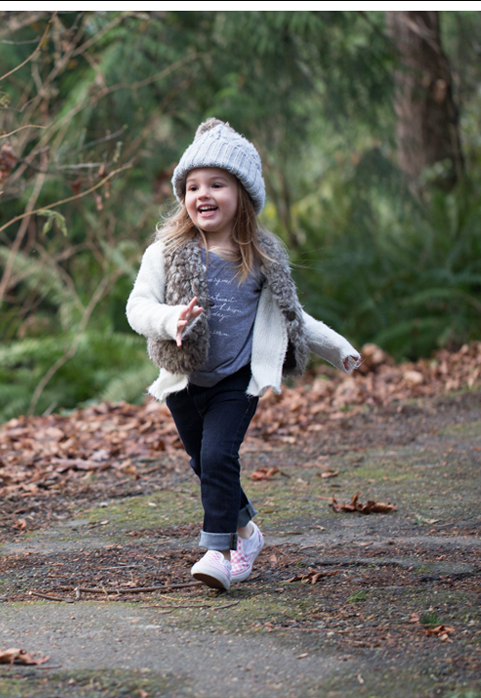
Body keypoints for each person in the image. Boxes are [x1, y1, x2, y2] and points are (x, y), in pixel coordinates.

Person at [126, 119, 361, 591]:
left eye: (217, 184)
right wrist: (170, 320)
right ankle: (248, 533)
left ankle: (218, 551)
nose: (203, 194)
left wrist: (339, 349)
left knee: (218, 455)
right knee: (203, 461)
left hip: (237, 379)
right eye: (193, 186)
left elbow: (294, 317)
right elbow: (137, 307)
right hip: (185, 378)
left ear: (243, 195)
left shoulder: (260, 259)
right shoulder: (165, 253)